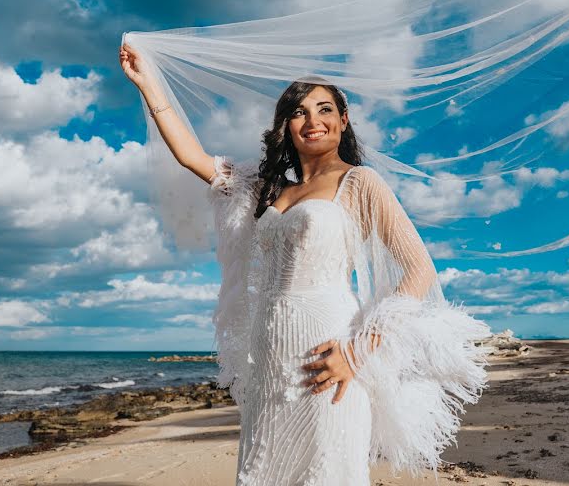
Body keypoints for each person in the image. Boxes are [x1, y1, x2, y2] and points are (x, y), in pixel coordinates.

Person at [120, 42, 490, 485]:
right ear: (285, 127)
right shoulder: (268, 191)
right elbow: (191, 157)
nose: (313, 120)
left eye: (325, 109)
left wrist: (357, 352)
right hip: (269, 366)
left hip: (326, 359)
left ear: (343, 120)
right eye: (299, 111)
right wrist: (148, 83)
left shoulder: (360, 182)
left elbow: (419, 270)